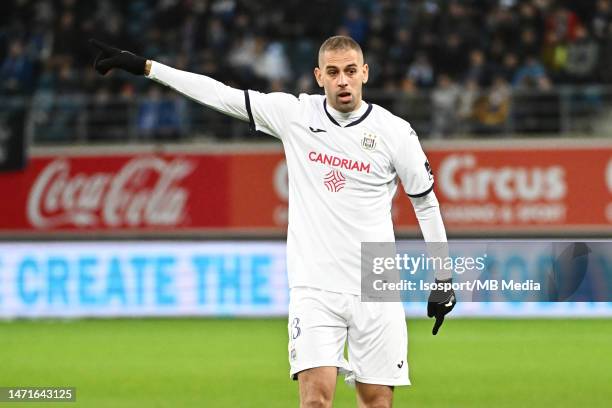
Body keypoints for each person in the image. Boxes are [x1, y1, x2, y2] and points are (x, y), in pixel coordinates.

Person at [90, 35, 456, 408]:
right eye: (333, 72)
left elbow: (425, 204)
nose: (342, 80)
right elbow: (220, 94)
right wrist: (147, 67)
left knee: (377, 402)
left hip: (375, 287)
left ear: (365, 73)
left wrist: (443, 278)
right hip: (315, 286)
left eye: (349, 71)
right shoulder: (295, 114)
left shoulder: (395, 132)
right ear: (319, 76)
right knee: (315, 400)